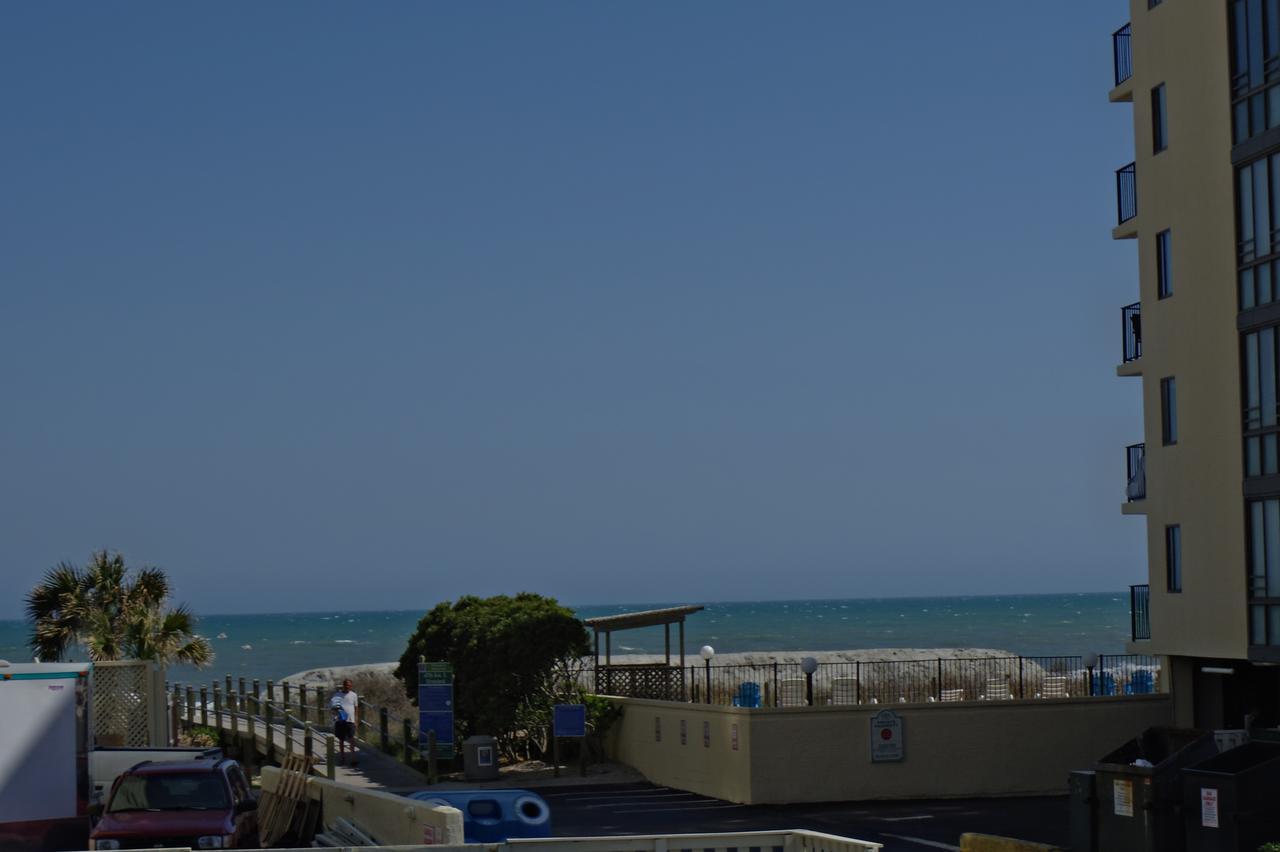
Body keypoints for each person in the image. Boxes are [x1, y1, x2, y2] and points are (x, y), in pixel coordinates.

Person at [330, 678, 359, 766]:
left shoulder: (354, 695)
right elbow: (333, 707)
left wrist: (356, 720)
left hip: (350, 720)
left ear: (351, 686)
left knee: (351, 739)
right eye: (346, 685)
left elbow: (356, 708)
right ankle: (342, 757)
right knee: (341, 739)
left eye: (349, 685)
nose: (347, 687)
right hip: (340, 720)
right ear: (343, 685)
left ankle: (353, 758)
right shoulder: (337, 695)